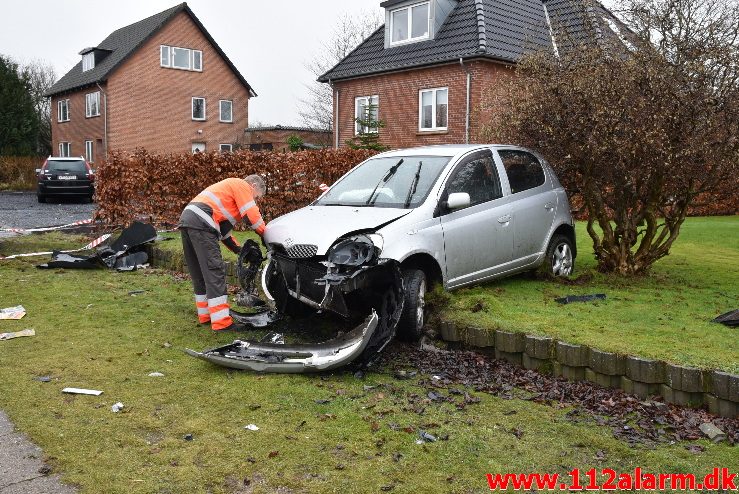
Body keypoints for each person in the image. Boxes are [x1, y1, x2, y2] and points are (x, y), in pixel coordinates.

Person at [179, 175, 267, 331]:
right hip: (202, 222)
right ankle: (221, 323)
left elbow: (224, 233)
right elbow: (252, 215)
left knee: (199, 272)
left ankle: (206, 316)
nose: (255, 200)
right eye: (257, 197)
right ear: (253, 186)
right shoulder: (241, 185)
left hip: (189, 219)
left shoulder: (227, 193)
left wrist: (240, 251)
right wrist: (266, 235)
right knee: (214, 271)